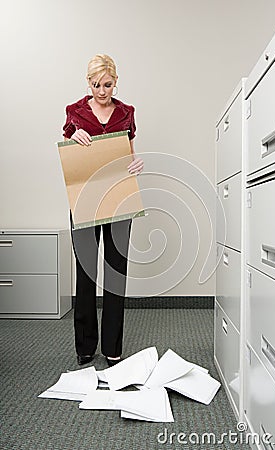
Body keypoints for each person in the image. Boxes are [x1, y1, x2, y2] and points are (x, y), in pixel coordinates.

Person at [62, 54, 144, 366]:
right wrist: (72, 137)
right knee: (85, 273)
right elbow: (68, 152)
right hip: (84, 198)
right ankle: (85, 347)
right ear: (88, 82)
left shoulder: (126, 112)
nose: (101, 90)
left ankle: (112, 347)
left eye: (107, 85)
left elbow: (129, 152)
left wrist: (136, 163)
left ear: (116, 82)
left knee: (115, 273)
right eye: (96, 85)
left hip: (119, 197)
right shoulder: (76, 111)